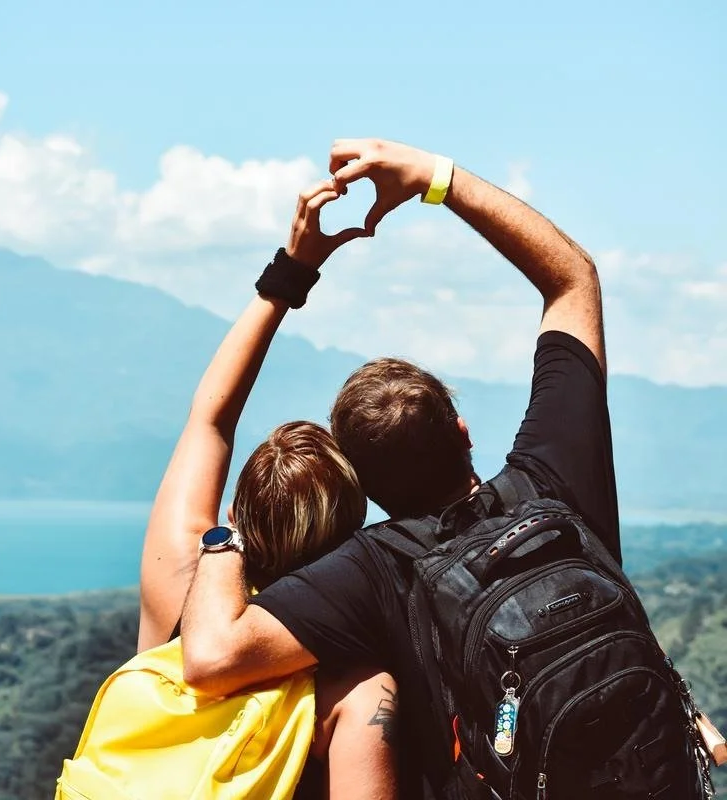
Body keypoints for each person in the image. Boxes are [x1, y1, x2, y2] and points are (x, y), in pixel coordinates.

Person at [179, 138, 618, 799]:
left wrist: (227, 537)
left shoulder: (373, 570)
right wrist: (433, 178)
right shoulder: (555, 480)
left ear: (362, 483)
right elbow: (572, 277)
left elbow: (211, 656)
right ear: (462, 433)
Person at [137, 179, 396, 798]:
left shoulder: (179, 582)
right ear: (352, 533)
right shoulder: (355, 685)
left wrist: (293, 271)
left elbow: (211, 416)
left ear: (235, 513)